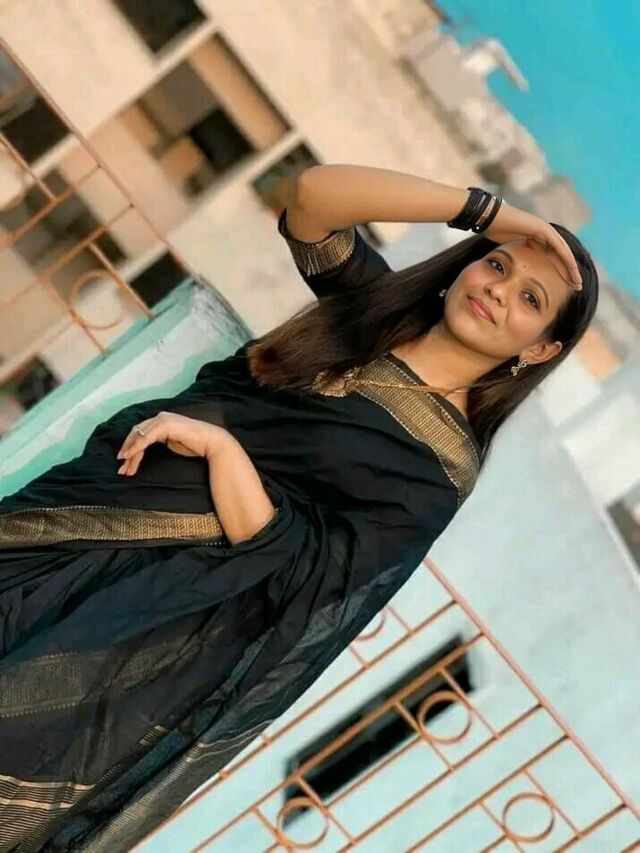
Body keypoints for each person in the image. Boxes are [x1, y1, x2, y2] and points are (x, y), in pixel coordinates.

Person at [0, 164, 597, 851]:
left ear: (540, 348)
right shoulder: (369, 310)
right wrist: (492, 215)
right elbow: (312, 199)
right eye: (495, 265)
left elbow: (309, 574)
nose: (497, 289)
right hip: (73, 518)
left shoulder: (437, 473)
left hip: (135, 618)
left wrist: (223, 450)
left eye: (529, 299)